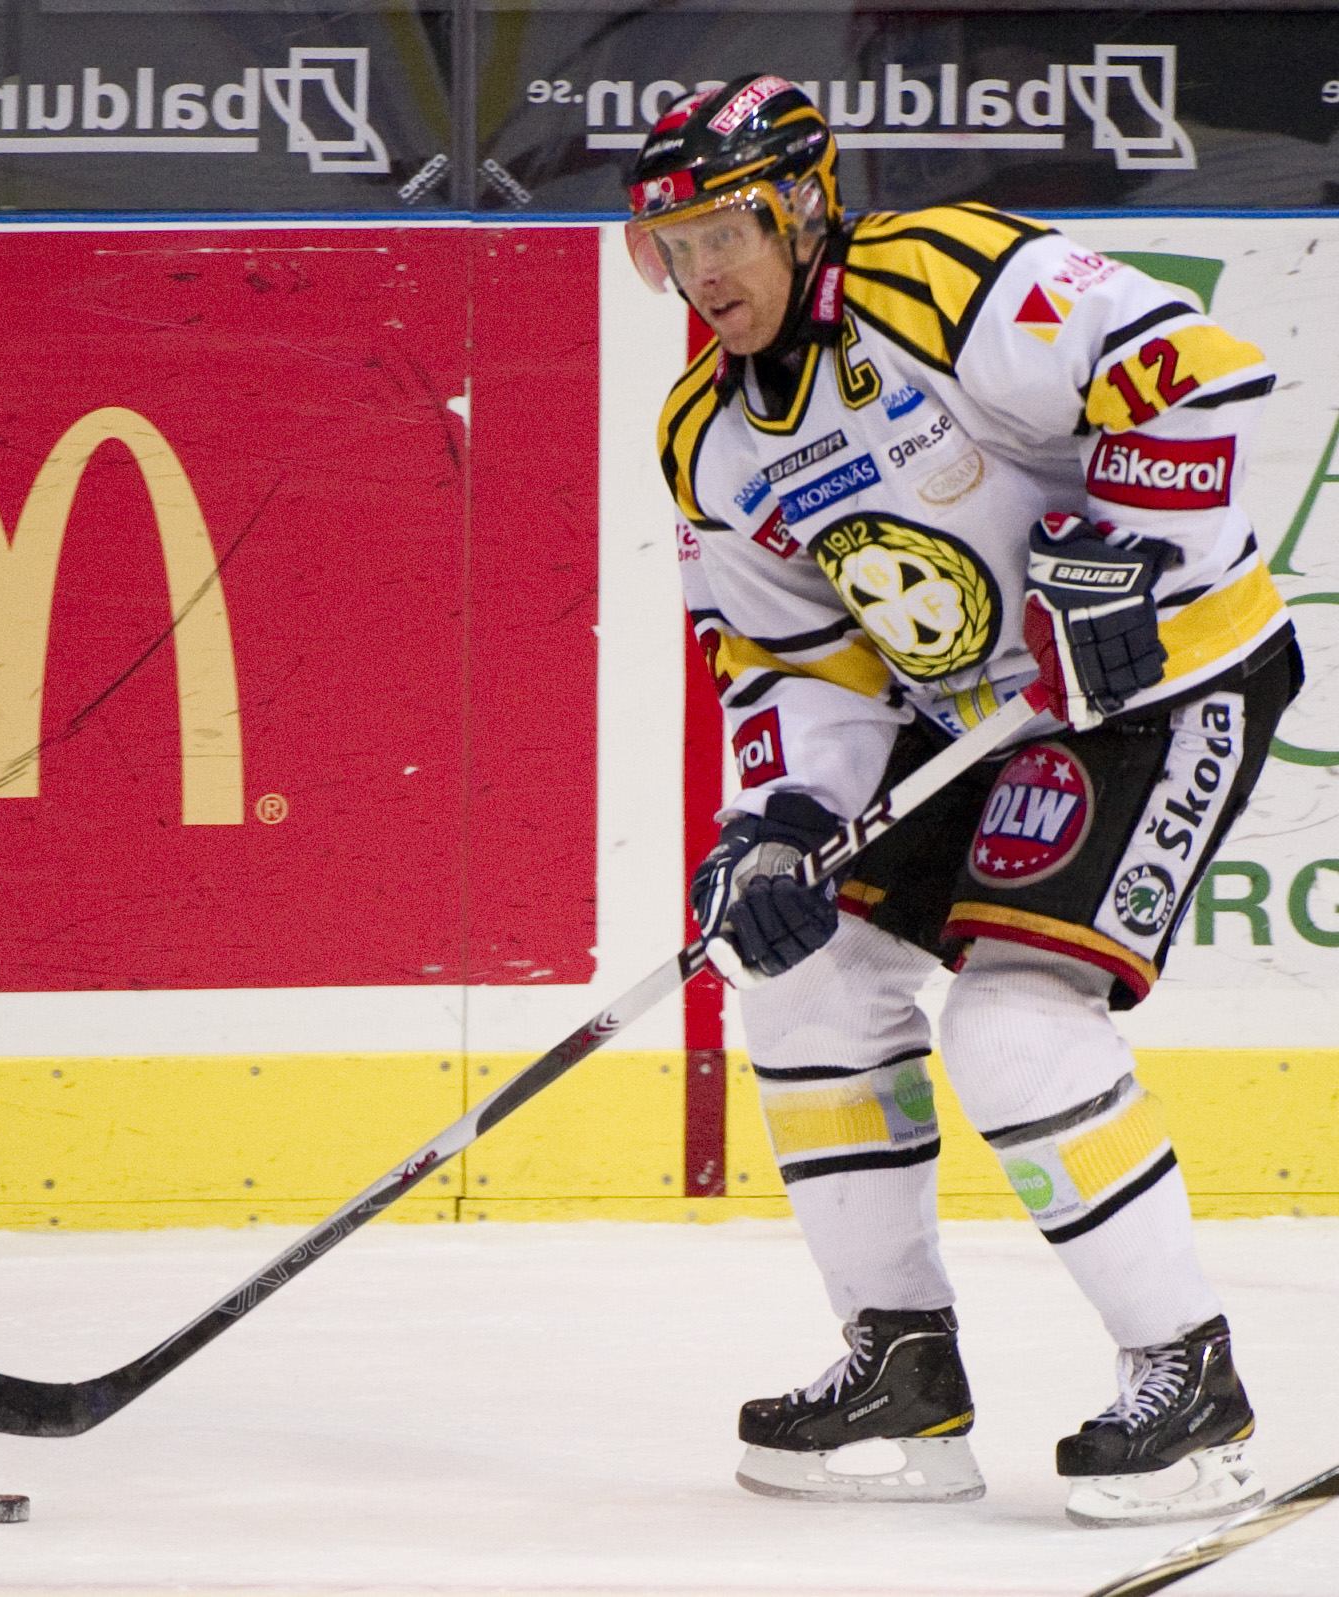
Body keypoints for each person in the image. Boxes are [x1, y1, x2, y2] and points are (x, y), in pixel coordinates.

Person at [627, 74, 1301, 1524]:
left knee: (1010, 1023)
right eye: (675, 247)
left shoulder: (936, 277)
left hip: (1162, 682)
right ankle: (904, 1373)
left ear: (800, 209)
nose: (704, 273)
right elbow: (791, 658)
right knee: (804, 979)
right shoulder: (709, 436)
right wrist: (784, 823)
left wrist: (1133, 554)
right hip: (973, 715)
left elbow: (1191, 361)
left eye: (724, 234)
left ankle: (1190, 1381)